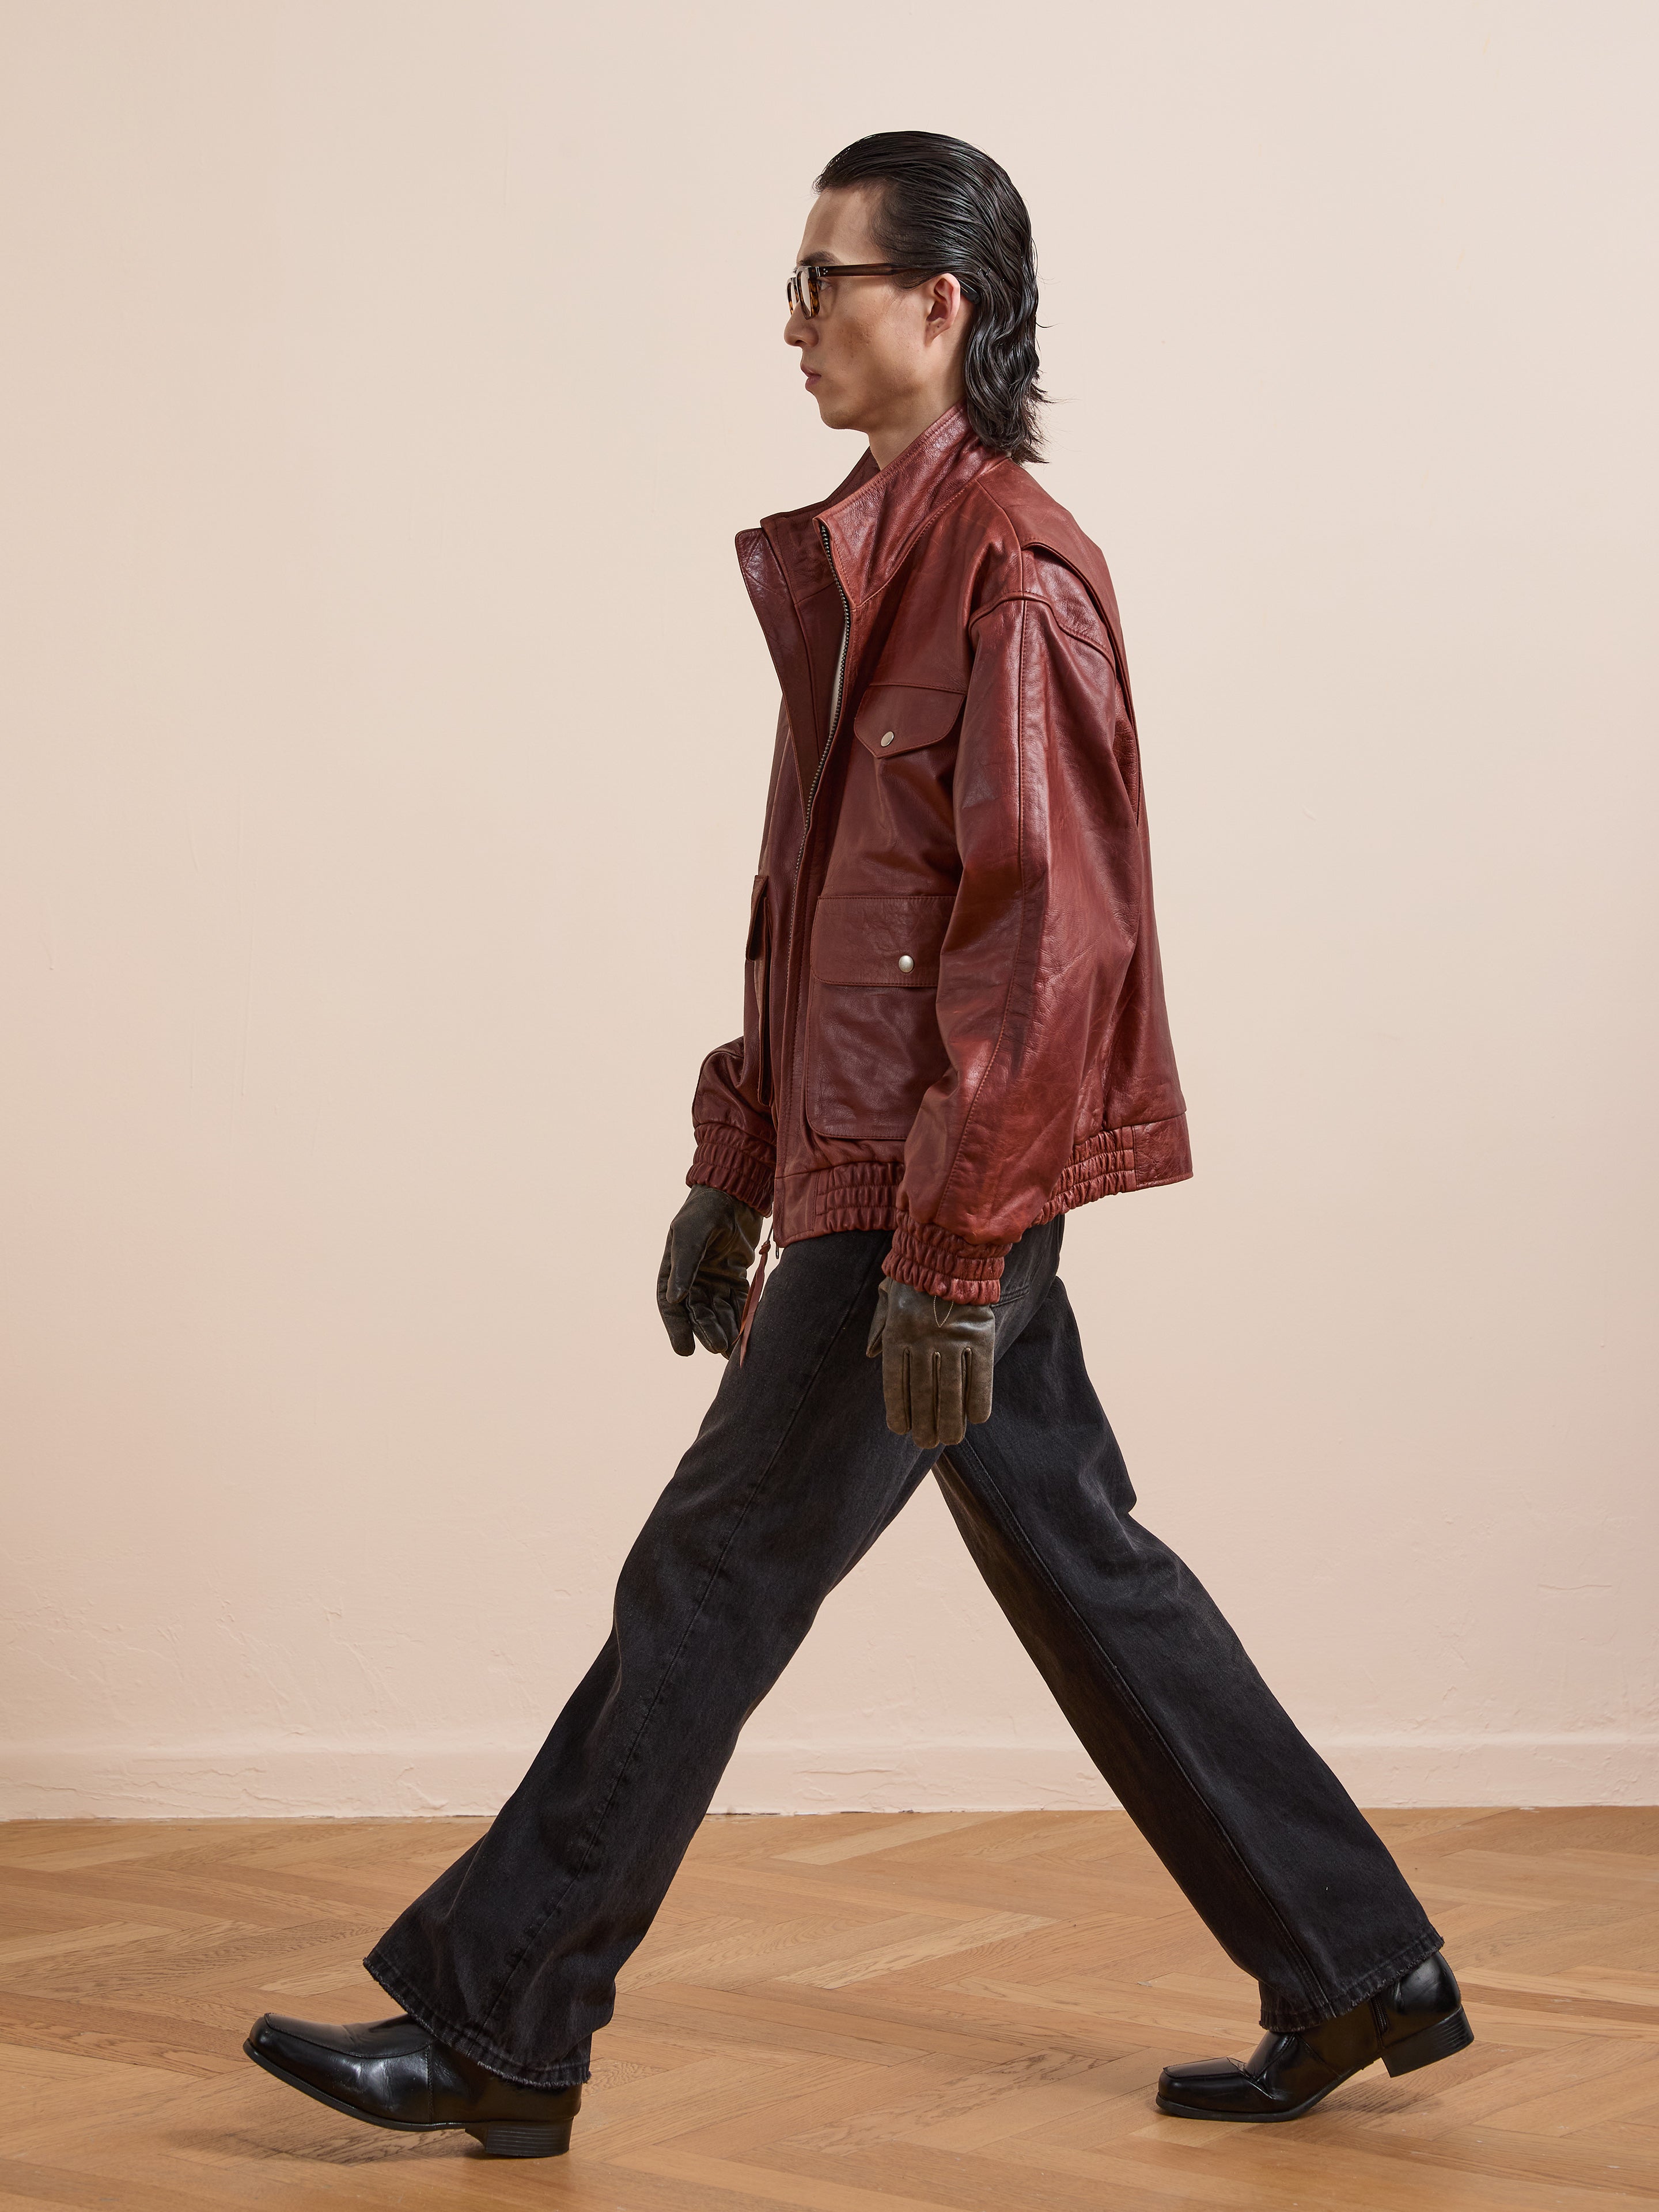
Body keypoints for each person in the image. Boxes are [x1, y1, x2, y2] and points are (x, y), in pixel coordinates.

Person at [244, 131, 1472, 2160]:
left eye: (827, 279)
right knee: (1086, 1563)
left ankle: (499, 2023)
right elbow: (817, 911)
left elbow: (1042, 941)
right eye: (795, 279)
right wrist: (736, 1155)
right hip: (871, 1170)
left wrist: (955, 1249)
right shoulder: (859, 560)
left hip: (938, 1191)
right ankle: (1355, 1959)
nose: (792, 318)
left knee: (711, 1571)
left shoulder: (1016, 574)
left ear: (942, 311)